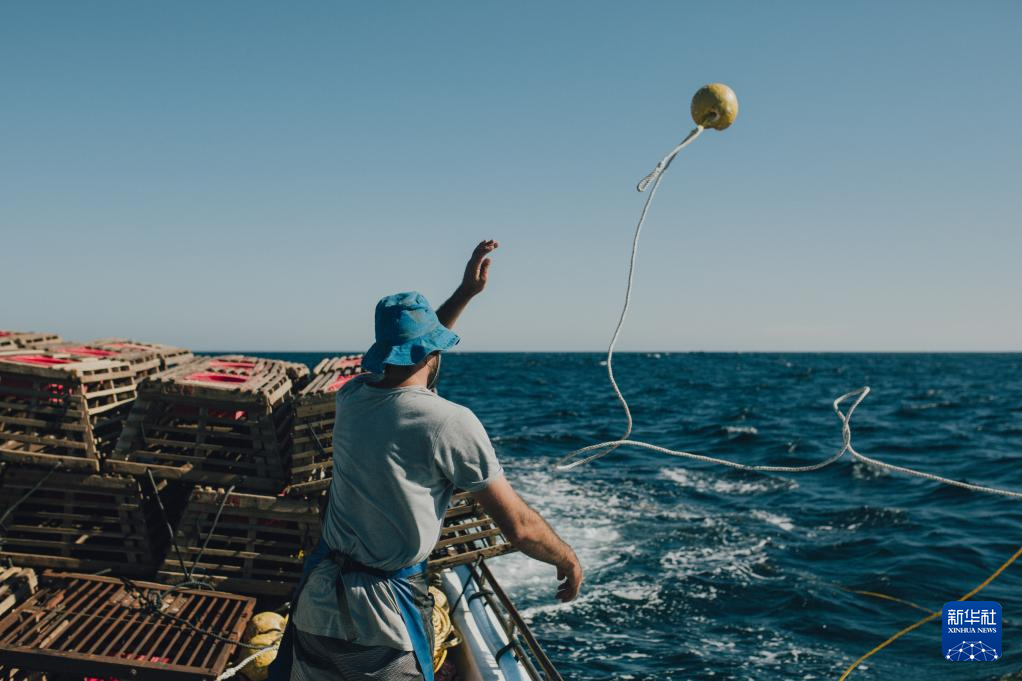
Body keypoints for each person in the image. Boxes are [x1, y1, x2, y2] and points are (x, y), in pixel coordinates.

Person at [272, 240, 583, 681]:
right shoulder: (449, 422)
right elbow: (519, 527)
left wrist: (465, 293)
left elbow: (414, 358)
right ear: (433, 353)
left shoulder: (352, 397)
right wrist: (566, 558)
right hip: (380, 622)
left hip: (318, 606)